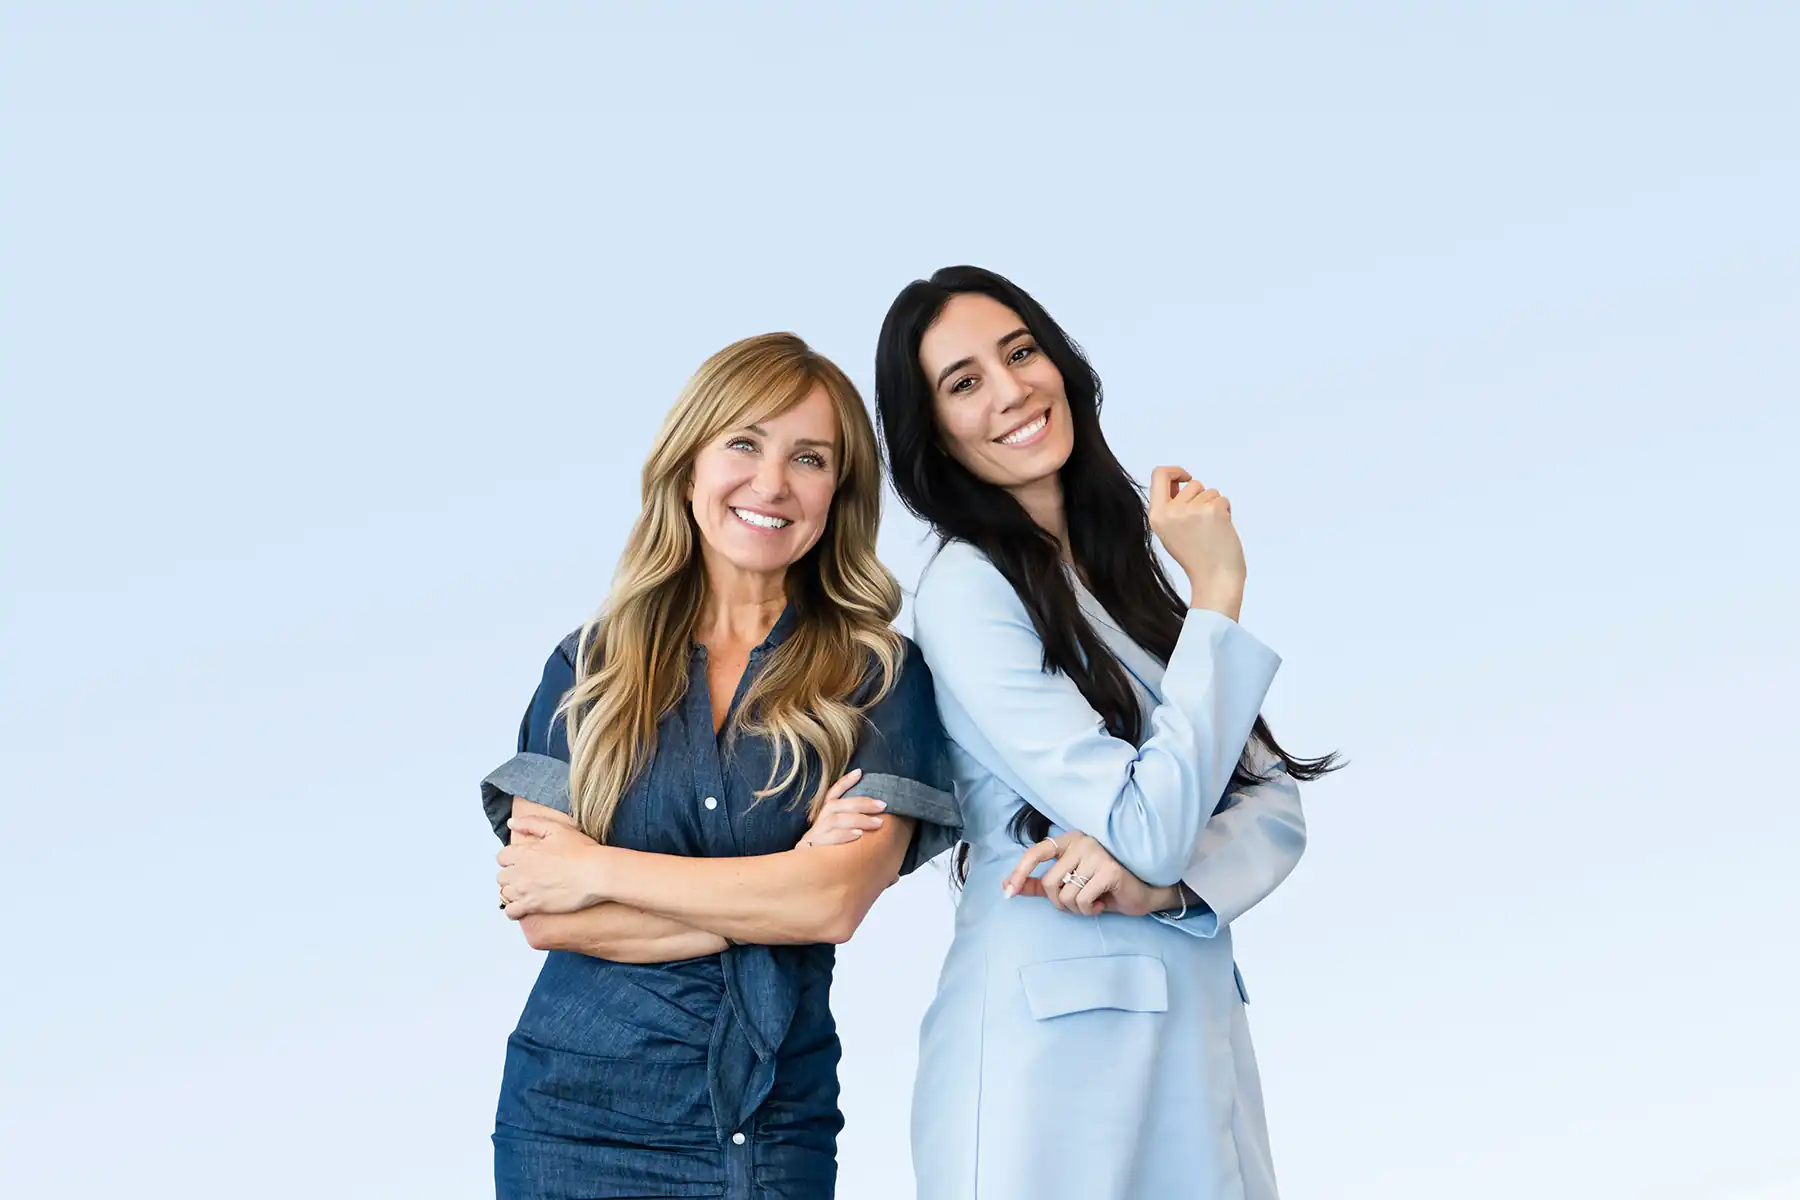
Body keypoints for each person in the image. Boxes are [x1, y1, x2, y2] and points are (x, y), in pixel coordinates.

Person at [865, 265, 1339, 1199]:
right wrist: (1219, 592)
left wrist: (1165, 888)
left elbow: (1270, 803)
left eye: (1021, 352)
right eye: (965, 383)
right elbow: (1148, 822)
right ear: (934, 434)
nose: (1011, 391)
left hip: (1191, 1049)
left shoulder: (1114, 575)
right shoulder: (967, 591)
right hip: (1051, 1071)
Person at [480, 332, 958, 1200]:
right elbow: (545, 914)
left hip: (767, 1124)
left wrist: (596, 870)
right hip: (566, 1119)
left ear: (838, 494)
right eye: (744, 442)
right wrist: (774, 896)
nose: (771, 483)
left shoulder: (877, 676)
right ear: (689, 463)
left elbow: (831, 903)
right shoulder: (587, 667)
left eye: (809, 458)